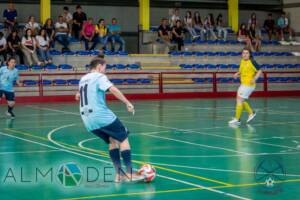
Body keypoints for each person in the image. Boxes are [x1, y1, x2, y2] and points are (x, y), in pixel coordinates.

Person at [75, 58, 144, 182]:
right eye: (105, 68)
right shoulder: (99, 76)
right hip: (100, 115)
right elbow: (113, 89)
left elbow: (78, 95)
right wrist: (127, 102)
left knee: (113, 140)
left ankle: (119, 175)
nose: (104, 71)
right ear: (100, 66)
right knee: (123, 137)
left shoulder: (83, 79)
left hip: (87, 119)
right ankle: (129, 172)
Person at [229, 48, 262, 126]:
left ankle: (237, 119)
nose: (245, 54)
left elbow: (260, 70)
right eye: (243, 53)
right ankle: (251, 113)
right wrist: (237, 73)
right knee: (240, 100)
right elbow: (241, 71)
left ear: (249, 54)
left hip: (249, 85)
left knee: (239, 100)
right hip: (243, 84)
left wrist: (254, 78)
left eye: (247, 53)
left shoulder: (252, 61)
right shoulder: (242, 61)